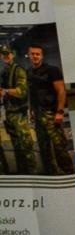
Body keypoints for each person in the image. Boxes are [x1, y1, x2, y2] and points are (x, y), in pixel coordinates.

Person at [26, 43, 74, 174]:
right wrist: (30, 110)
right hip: (38, 114)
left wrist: (60, 111)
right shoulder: (29, 72)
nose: (35, 56)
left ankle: (68, 172)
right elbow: (31, 93)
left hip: (51, 114)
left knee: (59, 146)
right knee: (43, 146)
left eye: (37, 54)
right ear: (29, 55)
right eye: (32, 54)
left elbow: (61, 91)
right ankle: (51, 173)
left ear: (42, 56)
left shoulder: (52, 70)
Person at [0, 44, 40, 175]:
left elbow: (22, 92)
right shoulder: (5, 72)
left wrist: (5, 91)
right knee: (17, 147)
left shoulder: (18, 70)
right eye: (3, 54)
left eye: (8, 54)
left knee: (26, 146)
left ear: (12, 55)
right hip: (9, 114)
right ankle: (22, 174)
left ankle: (33, 174)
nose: (6, 56)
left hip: (19, 114)